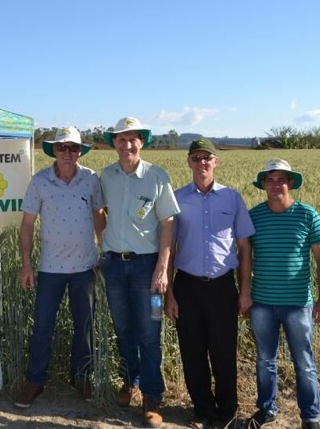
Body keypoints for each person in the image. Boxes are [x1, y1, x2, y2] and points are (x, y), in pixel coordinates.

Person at [14, 126, 106, 408]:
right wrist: (26, 264)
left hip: (85, 267)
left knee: (85, 326)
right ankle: (36, 380)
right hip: (50, 268)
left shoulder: (91, 179)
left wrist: (104, 254)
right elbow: (27, 224)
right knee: (42, 325)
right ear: (54, 150)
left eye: (73, 147)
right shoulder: (40, 181)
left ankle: (81, 377)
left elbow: (99, 217)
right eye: (62, 147)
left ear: (80, 151)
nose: (67, 152)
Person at [166, 138, 254, 428]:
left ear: (216, 161)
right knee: (192, 352)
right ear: (188, 162)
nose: (201, 162)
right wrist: (169, 294)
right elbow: (169, 249)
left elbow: (244, 248)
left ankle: (227, 413)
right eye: (196, 158)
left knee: (224, 351)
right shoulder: (177, 199)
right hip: (187, 286)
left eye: (207, 157)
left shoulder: (232, 198)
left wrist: (244, 291)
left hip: (221, 286)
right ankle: (203, 411)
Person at [99, 117, 180, 428]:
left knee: (149, 332)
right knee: (123, 329)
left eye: (133, 139)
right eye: (121, 139)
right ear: (114, 143)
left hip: (148, 267)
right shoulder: (106, 176)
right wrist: (103, 245)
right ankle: (129, 380)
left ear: (141, 142)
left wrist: (162, 268)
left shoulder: (157, 177)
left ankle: (152, 394)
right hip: (114, 266)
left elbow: (168, 223)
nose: (127, 145)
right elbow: (98, 211)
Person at [242, 159, 320, 429]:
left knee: (304, 362)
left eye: (281, 179)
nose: (275, 185)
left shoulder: (307, 215)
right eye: (270, 180)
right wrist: (244, 294)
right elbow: (245, 258)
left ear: (290, 183)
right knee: (264, 360)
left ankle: (310, 417)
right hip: (262, 302)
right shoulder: (254, 216)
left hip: (298, 304)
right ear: (263, 185)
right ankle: (267, 409)